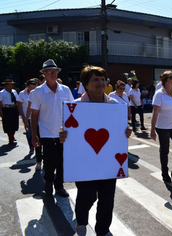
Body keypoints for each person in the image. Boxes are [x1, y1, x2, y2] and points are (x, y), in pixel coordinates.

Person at [59, 65, 132, 236]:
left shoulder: (115, 105)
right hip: (84, 162)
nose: (100, 82)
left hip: (109, 162)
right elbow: (68, 132)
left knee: (107, 198)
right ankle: (82, 220)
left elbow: (119, 130)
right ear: (85, 84)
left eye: (102, 79)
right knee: (87, 196)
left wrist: (126, 131)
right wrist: (62, 135)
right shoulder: (74, 107)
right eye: (95, 79)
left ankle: (103, 230)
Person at [30, 59, 74, 197]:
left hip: (63, 133)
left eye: (55, 71)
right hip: (46, 133)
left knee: (62, 161)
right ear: (44, 74)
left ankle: (59, 185)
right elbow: (34, 114)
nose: (53, 74)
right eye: (49, 71)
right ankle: (48, 182)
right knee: (50, 161)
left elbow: (72, 110)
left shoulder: (65, 90)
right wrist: (34, 135)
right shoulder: (37, 92)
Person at [17, 79, 37, 153]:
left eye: (34, 87)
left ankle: (38, 147)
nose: (32, 89)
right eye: (31, 87)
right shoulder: (22, 94)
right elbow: (19, 106)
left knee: (38, 133)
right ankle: (31, 146)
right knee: (29, 133)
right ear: (27, 86)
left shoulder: (37, 93)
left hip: (37, 116)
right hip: (27, 117)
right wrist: (23, 117)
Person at [0, 79, 19, 144]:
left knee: (14, 123)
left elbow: (17, 100)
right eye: (10, 84)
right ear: (6, 85)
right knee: (8, 124)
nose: (12, 86)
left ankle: (12, 135)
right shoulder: (2, 93)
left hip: (14, 108)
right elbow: (0, 102)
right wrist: (1, 111)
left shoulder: (14, 91)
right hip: (6, 109)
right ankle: (10, 138)